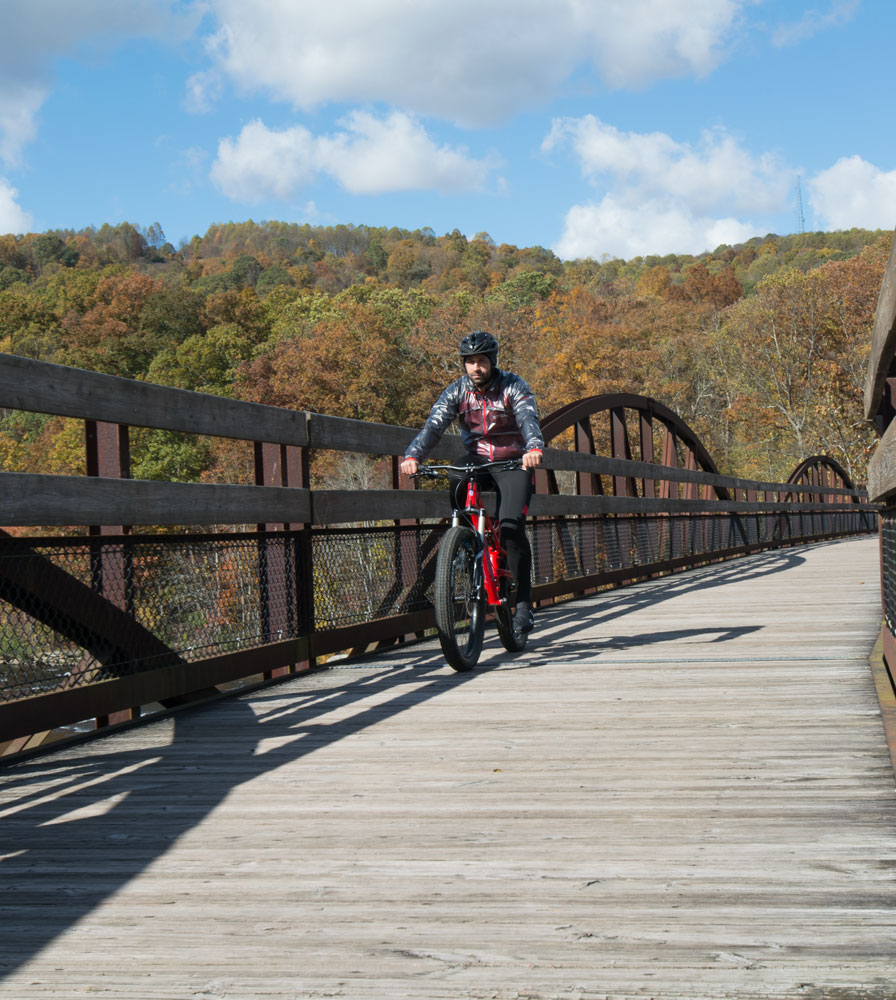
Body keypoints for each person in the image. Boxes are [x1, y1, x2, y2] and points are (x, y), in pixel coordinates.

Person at [400, 331, 544, 633]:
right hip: (477, 458)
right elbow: (434, 424)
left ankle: (523, 605)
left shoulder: (513, 386)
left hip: (513, 460)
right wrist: (413, 454)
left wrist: (533, 448)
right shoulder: (456, 391)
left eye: (481, 361)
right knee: (455, 476)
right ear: (464, 364)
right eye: (470, 362)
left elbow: (528, 417)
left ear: (492, 362)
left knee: (511, 528)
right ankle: (465, 543)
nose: (476, 367)